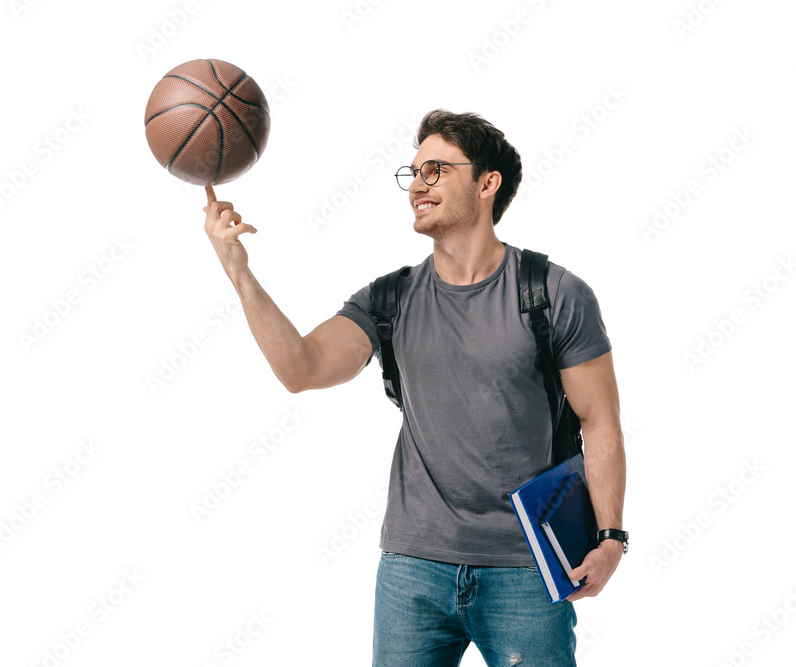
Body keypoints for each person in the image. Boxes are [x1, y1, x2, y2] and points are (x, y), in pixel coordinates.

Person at [203, 109, 626, 667]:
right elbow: (300, 369)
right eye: (412, 172)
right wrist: (239, 272)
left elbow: (600, 423)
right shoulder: (390, 300)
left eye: (435, 170)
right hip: (412, 568)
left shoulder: (553, 294)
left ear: (486, 184)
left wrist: (611, 539)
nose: (417, 186)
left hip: (528, 567)